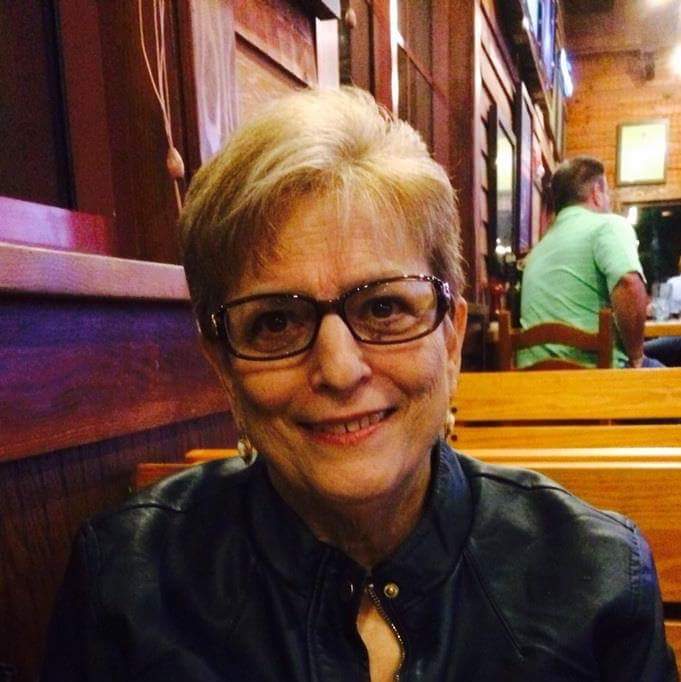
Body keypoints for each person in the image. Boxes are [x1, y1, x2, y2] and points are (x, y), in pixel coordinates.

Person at [42, 88, 677, 680]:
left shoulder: (598, 581)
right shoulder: (123, 585)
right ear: (223, 367)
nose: (341, 370)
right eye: (276, 322)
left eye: (383, 308)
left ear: (452, 339)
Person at [519, 156, 662, 368]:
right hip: (595, 375)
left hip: (535, 376)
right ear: (596, 193)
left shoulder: (537, 251)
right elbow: (629, 283)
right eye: (607, 194)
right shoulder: (608, 225)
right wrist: (636, 356)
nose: (608, 201)